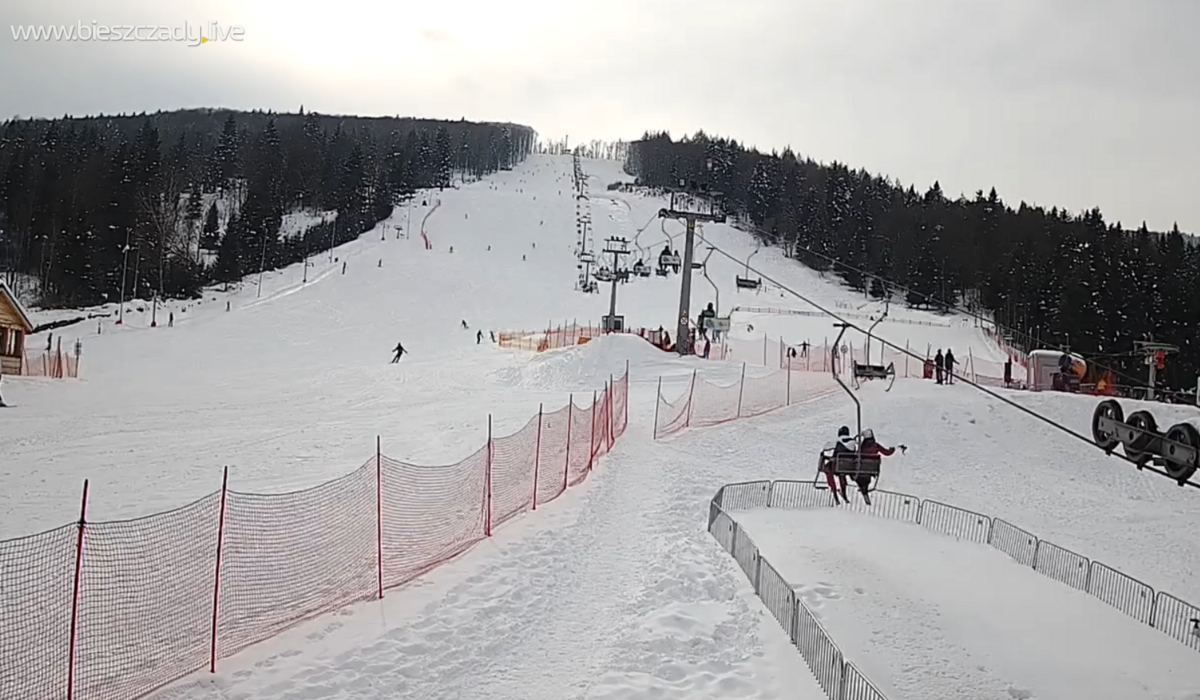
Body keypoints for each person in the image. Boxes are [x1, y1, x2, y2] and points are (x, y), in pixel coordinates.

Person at [855, 429, 906, 505]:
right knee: (866, 477)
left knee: (860, 477)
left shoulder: (862, 447)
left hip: (861, 469)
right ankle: (864, 489)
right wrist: (892, 450)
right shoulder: (876, 445)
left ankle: (863, 489)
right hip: (871, 469)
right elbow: (886, 453)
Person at [822, 426, 858, 504]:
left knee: (828, 469)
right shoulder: (853, 443)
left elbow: (826, 447)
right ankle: (843, 490)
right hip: (847, 467)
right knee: (842, 472)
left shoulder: (838, 441)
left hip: (836, 466)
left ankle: (834, 489)